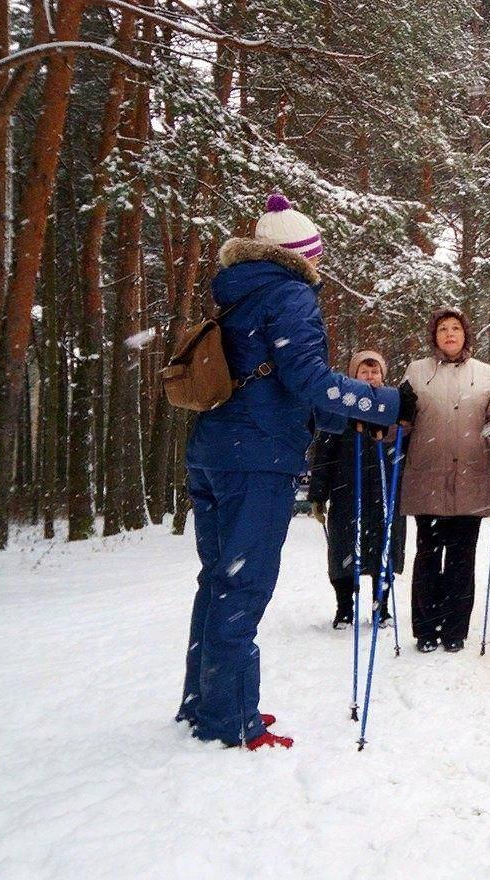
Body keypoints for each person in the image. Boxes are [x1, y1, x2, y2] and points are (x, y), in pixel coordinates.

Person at [177, 194, 415, 750]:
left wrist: (341, 415)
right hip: (256, 460)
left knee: (217, 579)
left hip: (215, 449)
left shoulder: (234, 291)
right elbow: (308, 378)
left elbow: (275, 381)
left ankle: (205, 703)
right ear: (301, 254)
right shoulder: (289, 293)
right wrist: (382, 404)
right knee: (243, 583)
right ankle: (230, 719)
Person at [399, 307, 490, 653]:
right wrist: (398, 413)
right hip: (428, 477)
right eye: (443, 329)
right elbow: (399, 426)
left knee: (463, 558)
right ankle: (426, 629)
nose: (449, 334)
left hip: (470, 479)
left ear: (466, 335)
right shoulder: (416, 372)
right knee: (428, 556)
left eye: (456, 328)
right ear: (434, 336)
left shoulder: (485, 373)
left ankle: (455, 629)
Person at [308, 350, 407, 630]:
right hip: (347, 492)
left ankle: (381, 607)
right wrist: (318, 494)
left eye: (374, 371)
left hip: (386, 493)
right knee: (343, 551)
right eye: (364, 372)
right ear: (352, 376)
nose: (370, 376)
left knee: (384, 550)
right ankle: (344, 608)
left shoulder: (395, 409)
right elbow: (324, 456)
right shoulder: (339, 408)